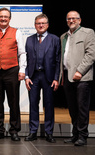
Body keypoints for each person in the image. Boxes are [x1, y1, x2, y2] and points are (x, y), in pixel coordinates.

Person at [0, 7, 26, 141]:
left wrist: (22, 70)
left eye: (6, 17)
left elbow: (22, 53)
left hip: (12, 71)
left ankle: (14, 130)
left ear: (9, 18)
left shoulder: (16, 32)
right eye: (1, 16)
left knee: (13, 102)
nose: (3, 18)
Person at [60, 11, 95, 146]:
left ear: (79, 20)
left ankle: (83, 135)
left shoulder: (88, 33)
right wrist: (61, 77)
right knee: (72, 108)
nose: (71, 21)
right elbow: (62, 58)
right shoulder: (63, 36)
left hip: (82, 78)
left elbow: (91, 55)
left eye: (74, 18)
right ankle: (75, 134)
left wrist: (80, 71)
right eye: (69, 19)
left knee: (82, 108)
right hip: (68, 77)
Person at [24, 14, 61, 143]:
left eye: (43, 23)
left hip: (48, 76)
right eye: (38, 23)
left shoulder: (55, 39)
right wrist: (27, 76)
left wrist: (56, 78)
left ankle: (49, 132)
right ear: (35, 25)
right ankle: (33, 131)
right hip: (33, 76)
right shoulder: (29, 39)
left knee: (49, 105)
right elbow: (26, 60)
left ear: (47, 25)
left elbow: (58, 61)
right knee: (33, 104)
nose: (41, 25)